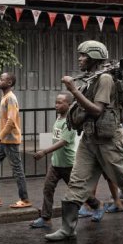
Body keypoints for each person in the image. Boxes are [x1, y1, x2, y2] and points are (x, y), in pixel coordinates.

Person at [45, 41, 123, 241]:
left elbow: (97, 110)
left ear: (93, 58)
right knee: (77, 181)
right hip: (89, 140)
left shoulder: (105, 79)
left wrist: (74, 91)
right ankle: (67, 228)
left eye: (83, 55)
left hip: (109, 141)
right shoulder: (92, 78)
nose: (80, 59)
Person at [30, 93, 83, 228]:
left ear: (69, 105)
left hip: (68, 164)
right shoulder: (59, 118)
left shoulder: (70, 122)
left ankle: (95, 205)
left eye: (60, 103)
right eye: (56, 102)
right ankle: (46, 218)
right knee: (48, 188)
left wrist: (44, 152)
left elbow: (63, 142)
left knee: (78, 190)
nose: (56, 105)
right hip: (56, 164)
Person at [0, 72, 30, 209]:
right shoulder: (5, 98)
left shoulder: (11, 99)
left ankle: (25, 199)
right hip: (4, 141)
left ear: (9, 83)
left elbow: (11, 121)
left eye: (2, 79)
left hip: (11, 140)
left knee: (17, 170)